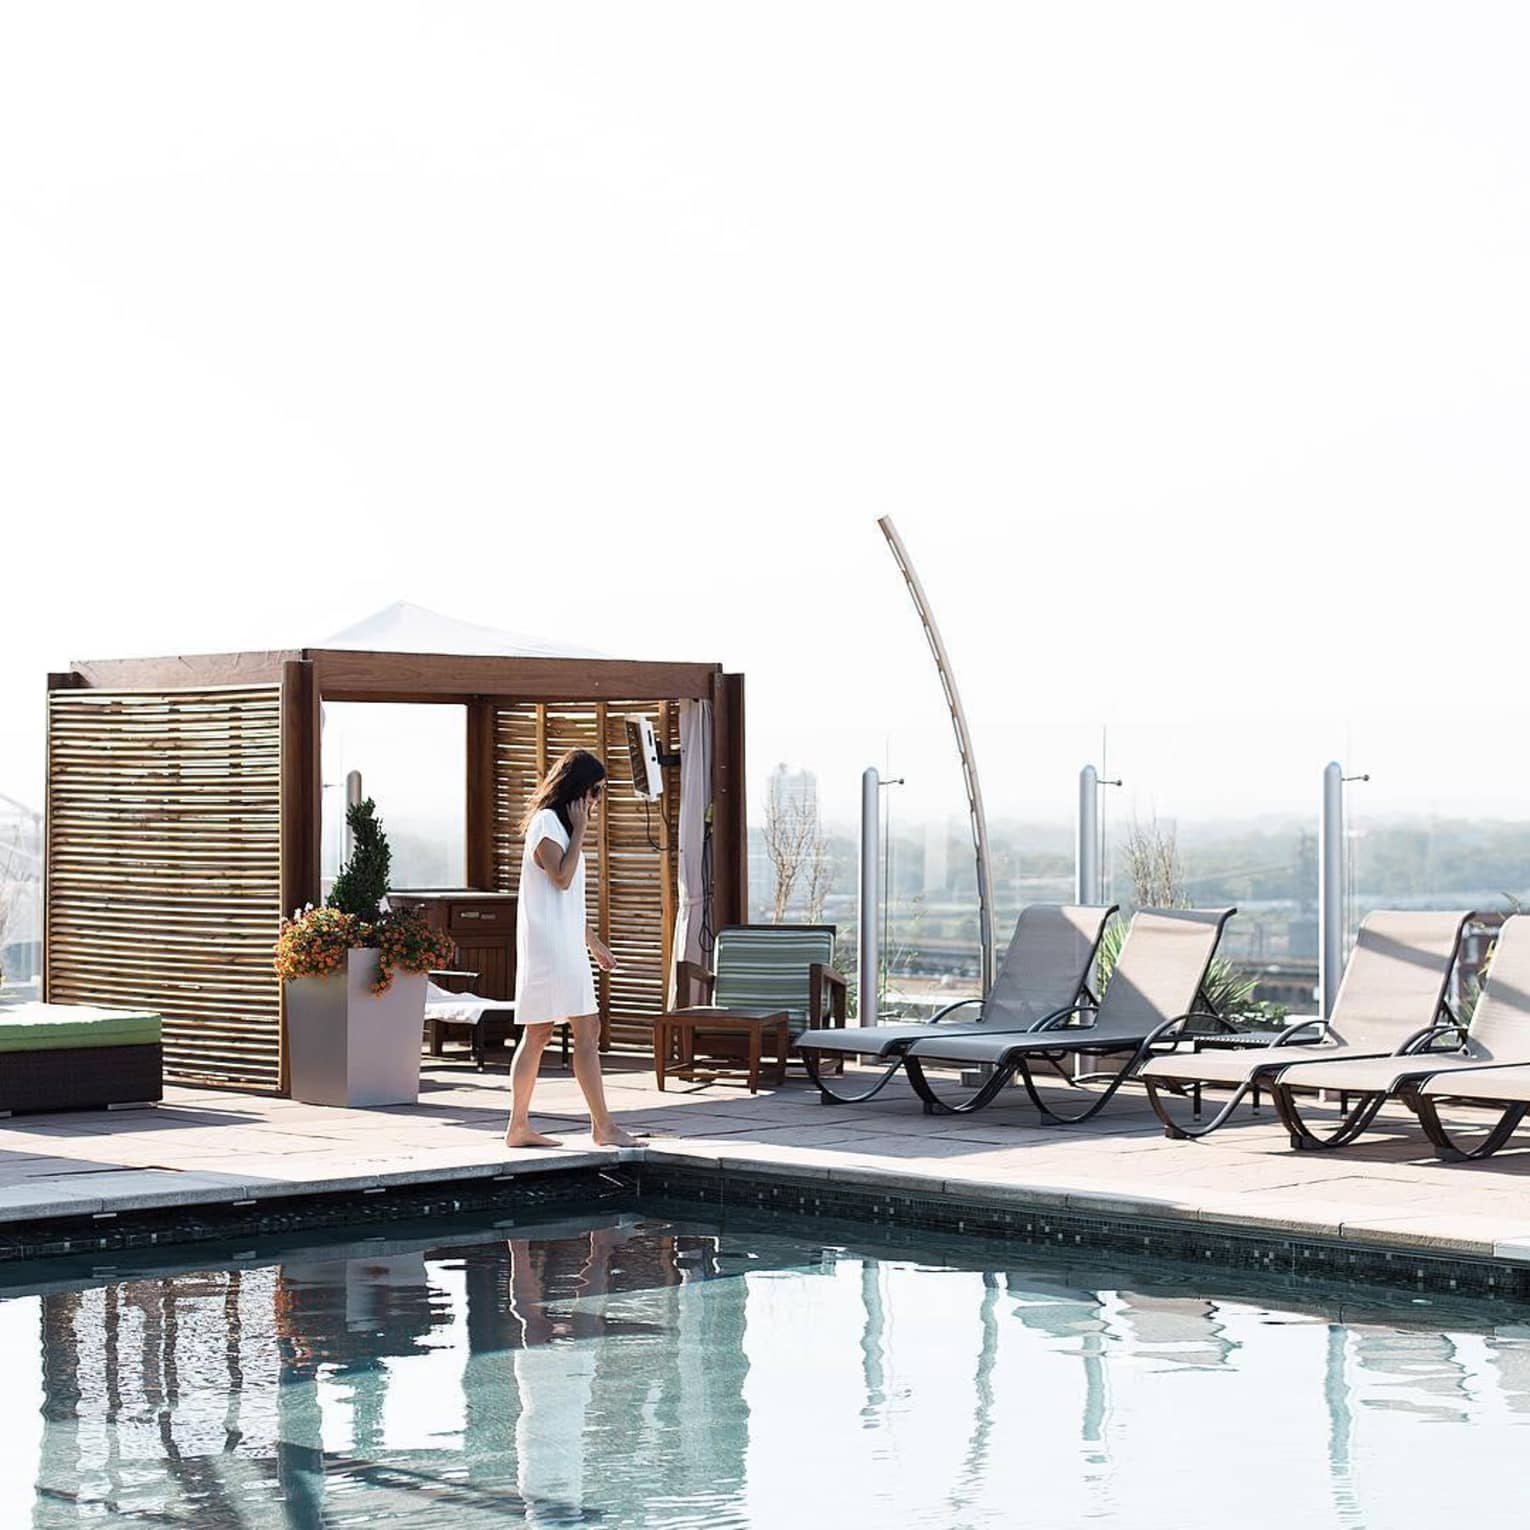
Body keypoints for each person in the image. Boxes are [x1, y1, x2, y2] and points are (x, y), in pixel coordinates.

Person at [507, 748, 638, 1148]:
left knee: (548, 1032)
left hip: (565, 945)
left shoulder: (559, 827)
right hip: (550, 950)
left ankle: (520, 1127)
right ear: (578, 790)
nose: (597, 801)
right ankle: (602, 1127)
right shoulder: (547, 824)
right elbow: (561, 879)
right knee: (559, 1030)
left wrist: (595, 943)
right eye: (595, 791)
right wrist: (579, 831)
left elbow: (567, 902)